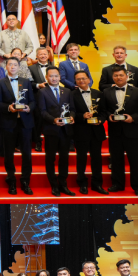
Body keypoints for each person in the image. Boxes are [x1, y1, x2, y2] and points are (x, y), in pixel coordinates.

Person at [102, 65, 138, 196]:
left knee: (135, 161)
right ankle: (117, 184)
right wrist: (109, 117)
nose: (118, 77)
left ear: (127, 76)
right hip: (115, 131)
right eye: (115, 75)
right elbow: (104, 110)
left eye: (121, 75)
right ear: (112, 77)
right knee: (116, 160)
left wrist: (133, 118)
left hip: (132, 132)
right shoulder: (106, 92)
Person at [0, 57, 36, 195]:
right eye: (10, 64)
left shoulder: (26, 82)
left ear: (19, 67)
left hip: (25, 122)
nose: (12, 67)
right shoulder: (1, 83)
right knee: (8, 154)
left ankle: (25, 181)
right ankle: (11, 180)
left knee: (27, 153)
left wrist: (29, 108)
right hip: (8, 122)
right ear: (6, 67)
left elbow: (32, 101)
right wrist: (9, 108)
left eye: (15, 65)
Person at [38, 66, 77, 196]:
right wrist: (53, 120)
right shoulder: (42, 92)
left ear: (60, 77)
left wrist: (72, 117)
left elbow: (72, 109)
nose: (54, 78)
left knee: (64, 158)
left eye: (56, 76)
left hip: (66, 130)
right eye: (51, 76)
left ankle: (63, 184)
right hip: (51, 129)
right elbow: (42, 111)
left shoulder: (67, 91)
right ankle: (54, 185)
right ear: (46, 77)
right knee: (50, 158)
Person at [72, 70, 107, 194]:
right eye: (78, 79)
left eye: (83, 78)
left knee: (96, 159)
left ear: (89, 79)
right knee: (81, 159)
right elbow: (71, 112)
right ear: (75, 81)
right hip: (80, 131)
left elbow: (104, 112)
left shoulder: (99, 93)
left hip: (96, 131)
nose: (81, 81)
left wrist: (100, 120)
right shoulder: (72, 95)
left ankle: (97, 184)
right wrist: (82, 116)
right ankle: (82, 183)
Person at [29, 47, 53, 151]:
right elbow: (29, 83)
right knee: (38, 120)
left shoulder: (53, 67)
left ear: (48, 55)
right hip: (37, 97)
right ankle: (37, 142)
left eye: (45, 54)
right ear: (37, 56)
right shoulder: (31, 68)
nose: (43, 56)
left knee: (50, 119)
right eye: (41, 54)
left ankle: (51, 143)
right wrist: (38, 85)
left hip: (52, 98)